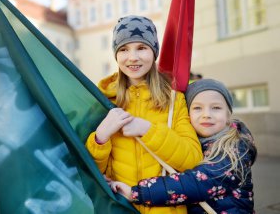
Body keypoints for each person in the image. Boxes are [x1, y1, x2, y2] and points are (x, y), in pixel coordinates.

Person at [85, 15, 203, 214]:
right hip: (121, 208)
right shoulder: (103, 101)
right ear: (116, 55)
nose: (132, 57)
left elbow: (193, 160)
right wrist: (99, 139)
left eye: (141, 47)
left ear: (153, 51)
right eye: (123, 49)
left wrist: (148, 130)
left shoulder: (174, 100)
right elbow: (93, 172)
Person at [110, 79, 257, 213]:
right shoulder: (191, 144)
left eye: (216, 108)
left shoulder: (235, 147)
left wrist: (136, 193)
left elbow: (197, 182)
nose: (206, 114)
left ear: (228, 114)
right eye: (197, 108)